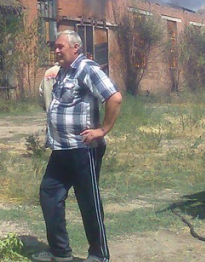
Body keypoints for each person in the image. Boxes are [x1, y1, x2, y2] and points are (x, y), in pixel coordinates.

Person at [34, 30, 123, 262]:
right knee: (49, 195)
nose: (56, 50)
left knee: (89, 203)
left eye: (60, 46)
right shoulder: (62, 72)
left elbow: (114, 97)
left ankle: (99, 255)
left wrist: (102, 130)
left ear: (75, 48)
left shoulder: (88, 69)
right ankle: (60, 252)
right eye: (55, 46)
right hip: (61, 149)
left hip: (84, 151)